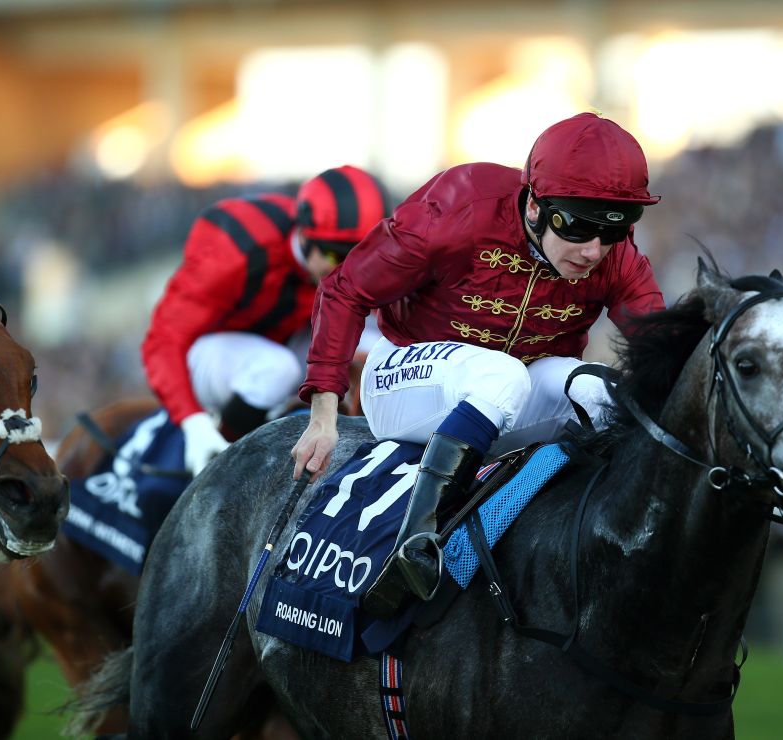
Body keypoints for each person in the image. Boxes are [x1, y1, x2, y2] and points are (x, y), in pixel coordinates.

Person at [289, 112, 665, 618]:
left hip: (507, 398)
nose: (594, 250)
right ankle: (414, 545)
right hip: (405, 381)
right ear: (535, 203)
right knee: (501, 374)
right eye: (578, 226)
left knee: (604, 391)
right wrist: (323, 415)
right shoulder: (458, 208)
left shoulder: (612, 257)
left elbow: (661, 354)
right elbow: (345, 289)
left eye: (613, 231)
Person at [142, 165, 391, 476]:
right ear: (303, 235)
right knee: (275, 368)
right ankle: (218, 464)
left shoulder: (340, 255)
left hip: (282, 343)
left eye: (362, 256)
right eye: (335, 256)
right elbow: (163, 341)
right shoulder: (236, 250)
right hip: (208, 357)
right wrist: (193, 422)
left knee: (382, 352)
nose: (348, 270)